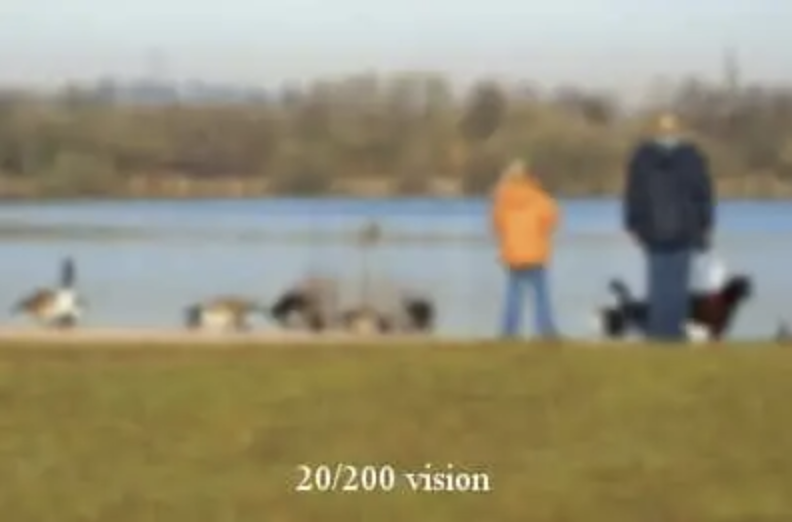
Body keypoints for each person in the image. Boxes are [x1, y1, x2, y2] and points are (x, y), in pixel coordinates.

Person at [623, 113, 715, 342]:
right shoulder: (691, 157)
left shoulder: (642, 158)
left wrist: (633, 224)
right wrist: (705, 225)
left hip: (655, 229)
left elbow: (633, 195)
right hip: (683, 228)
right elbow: (704, 194)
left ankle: (658, 332)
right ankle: (672, 332)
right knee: (677, 285)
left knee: (659, 284)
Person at [491, 159, 560, 339]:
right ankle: (545, 329)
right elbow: (552, 220)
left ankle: (509, 331)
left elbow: (497, 225)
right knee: (541, 295)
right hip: (536, 252)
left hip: (513, 253)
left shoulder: (503, 199)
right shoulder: (539, 197)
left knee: (513, 294)